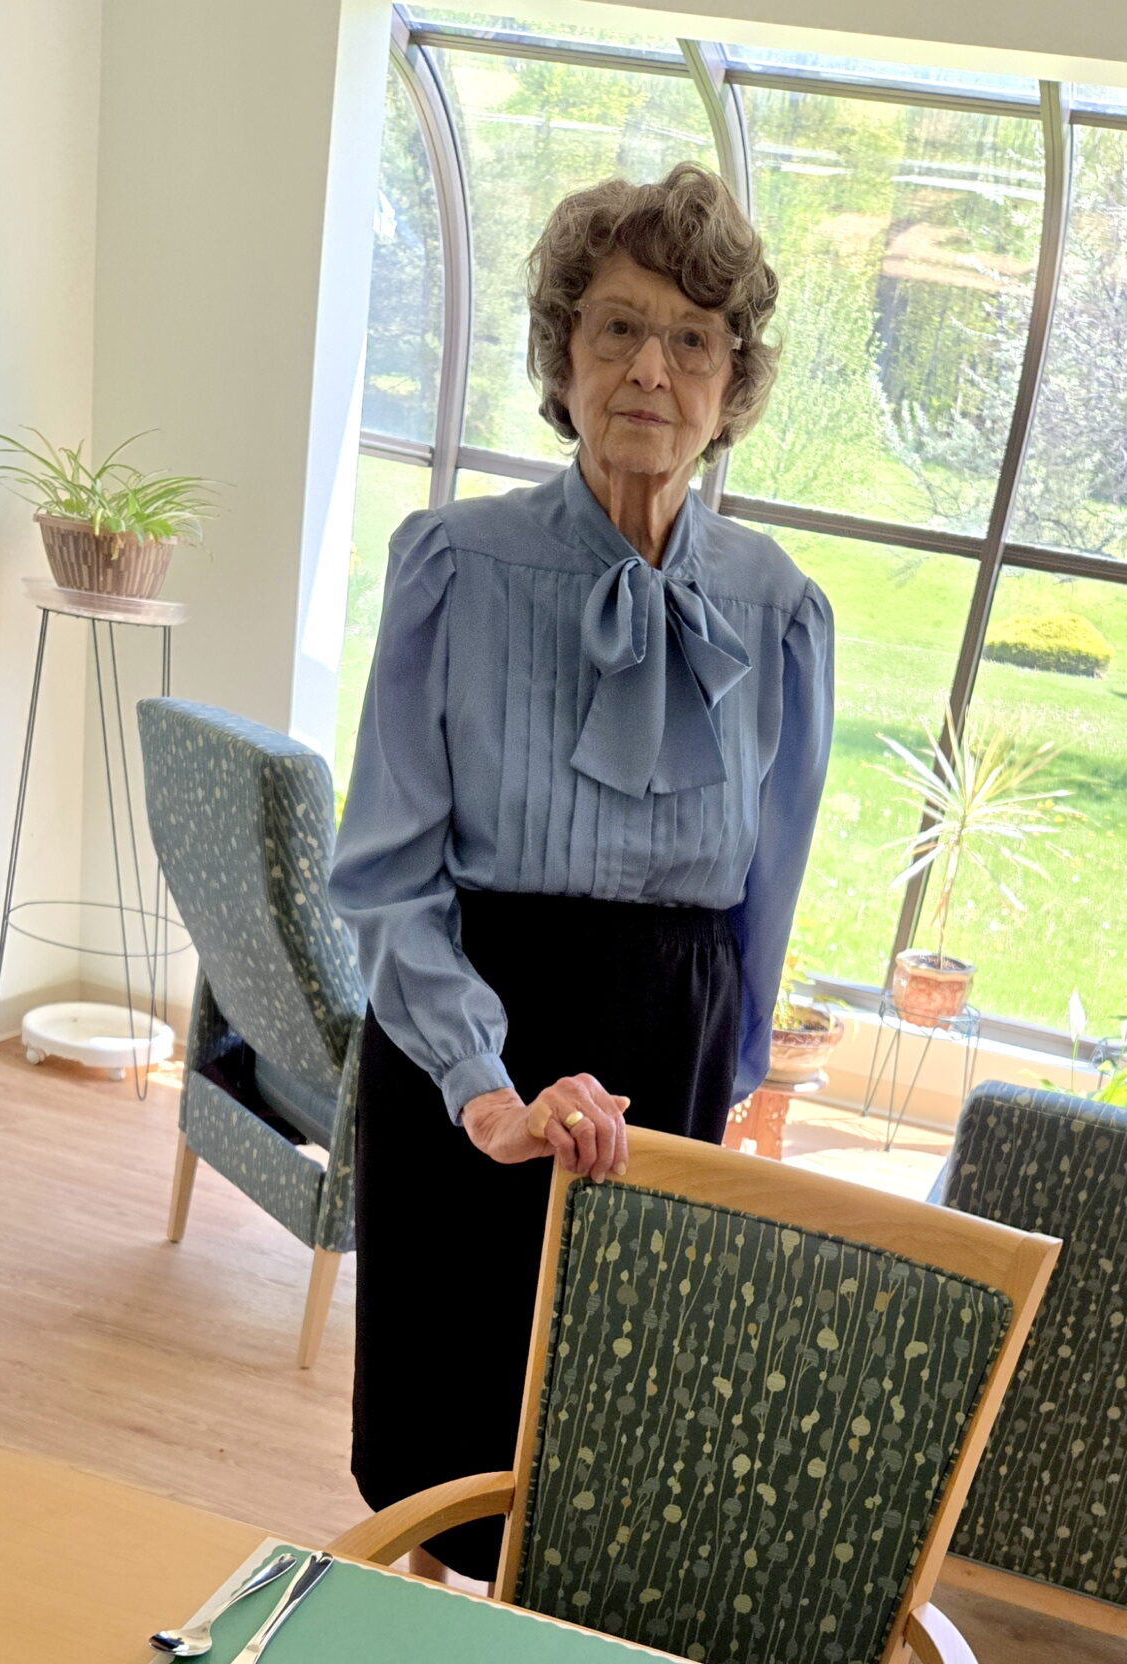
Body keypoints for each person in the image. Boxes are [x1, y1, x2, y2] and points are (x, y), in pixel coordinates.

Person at [330, 162, 834, 1580]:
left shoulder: (779, 609)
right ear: (562, 355)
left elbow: (769, 889)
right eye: (617, 327)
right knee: (449, 1442)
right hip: (468, 1030)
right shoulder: (452, 565)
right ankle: (424, 1650)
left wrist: (727, 1073)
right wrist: (484, 1088)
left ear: (733, 382)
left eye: (693, 338)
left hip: (668, 1048)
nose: (651, 371)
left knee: (614, 1442)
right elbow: (384, 874)